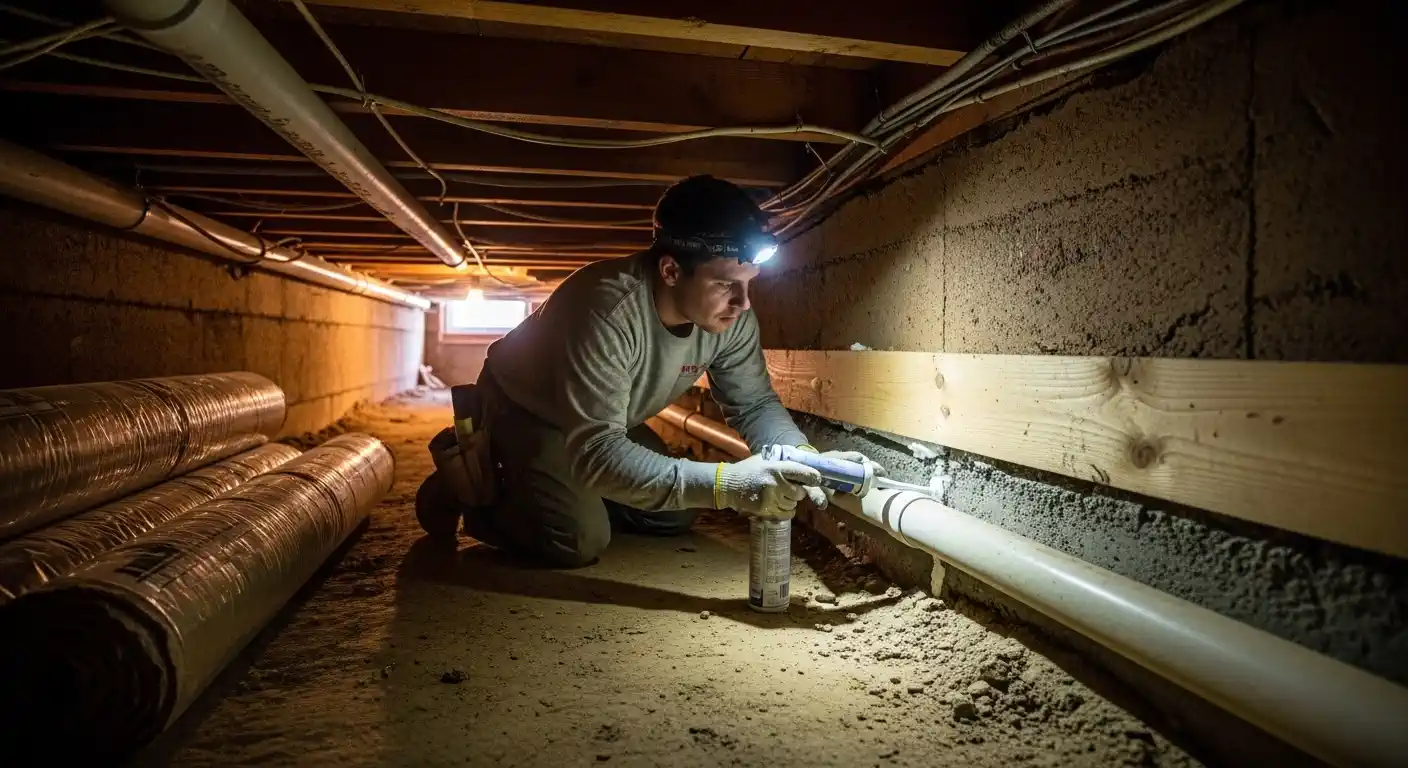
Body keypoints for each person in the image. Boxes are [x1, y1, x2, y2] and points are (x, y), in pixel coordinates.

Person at [416, 175, 882, 567]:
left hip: (600, 423)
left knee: (671, 516)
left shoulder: (730, 318)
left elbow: (755, 403)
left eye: (748, 285)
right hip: (525, 411)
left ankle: (557, 491)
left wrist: (802, 458)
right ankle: (469, 490)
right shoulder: (607, 310)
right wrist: (727, 484)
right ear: (671, 270)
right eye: (725, 285)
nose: (743, 304)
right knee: (577, 540)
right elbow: (599, 452)